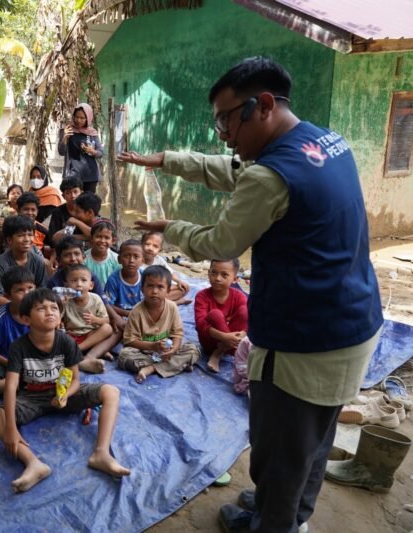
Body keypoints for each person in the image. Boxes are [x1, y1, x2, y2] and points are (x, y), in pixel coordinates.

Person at [118, 57, 383, 532]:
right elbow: (234, 169)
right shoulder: (324, 141)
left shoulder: (270, 176)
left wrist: (168, 227)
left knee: (281, 448)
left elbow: (221, 241)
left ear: (261, 106)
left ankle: (275, 521)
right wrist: (167, 161)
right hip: (353, 320)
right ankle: (280, 511)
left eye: (225, 119)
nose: (222, 133)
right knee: (311, 442)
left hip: (307, 340)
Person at [0, 288, 130, 494]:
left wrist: (63, 396)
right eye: (41, 309)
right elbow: (10, 387)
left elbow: (74, 380)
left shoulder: (66, 341)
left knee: (111, 391)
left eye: (54, 308)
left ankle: (101, 453)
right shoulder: (19, 347)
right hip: (30, 398)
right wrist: (11, 428)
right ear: (26, 319)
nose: (50, 312)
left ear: (60, 315)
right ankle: (33, 463)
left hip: (62, 395)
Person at [118, 266, 200, 384]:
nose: (154, 291)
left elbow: (177, 333)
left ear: (168, 291)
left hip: (167, 351)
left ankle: (151, 369)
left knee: (193, 349)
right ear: (142, 289)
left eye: (160, 287)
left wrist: (174, 349)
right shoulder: (136, 312)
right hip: (145, 352)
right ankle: (177, 365)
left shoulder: (172, 307)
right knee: (124, 356)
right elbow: (130, 341)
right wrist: (152, 346)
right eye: (150, 286)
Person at [0, 268, 34, 394]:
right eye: (20, 290)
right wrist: (13, 364)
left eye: (30, 288)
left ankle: (21, 383)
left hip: (35, 361)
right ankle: (22, 383)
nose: (27, 293)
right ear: (7, 296)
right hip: (6, 361)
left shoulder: (40, 313)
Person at [194, 259, 248, 373]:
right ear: (208, 273)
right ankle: (217, 352)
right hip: (210, 342)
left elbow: (250, 321)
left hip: (234, 343)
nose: (218, 278)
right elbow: (200, 325)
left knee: (245, 311)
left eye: (224, 275)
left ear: (235, 279)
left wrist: (242, 334)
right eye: (214, 273)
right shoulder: (202, 296)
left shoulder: (239, 296)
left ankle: (219, 352)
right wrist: (225, 337)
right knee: (215, 314)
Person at [61, 264, 116, 373]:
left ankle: (79, 350)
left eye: (83, 280)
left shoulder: (95, 299)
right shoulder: (66, 301)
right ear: (67, 286)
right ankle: (87, 355)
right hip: (72, 335)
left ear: (91, 285)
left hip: (89, 335)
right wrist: (61, 304)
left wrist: (95, 319)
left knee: (107, 329)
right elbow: (58, 321)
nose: (79, 284)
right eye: (74, 281)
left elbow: (106, 320)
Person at [0, 216, 47, 312]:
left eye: (30, 235)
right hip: (11, 305)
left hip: (31, 305)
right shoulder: (2, 263)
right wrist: (20, 306)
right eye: (21, 235)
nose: (27, 239)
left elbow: (43, 291)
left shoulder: (38, 261)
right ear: (9, 240)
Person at [57, 104, 104, 193]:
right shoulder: (67, 130)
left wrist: (92, 151)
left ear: (88, 118)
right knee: (73, 202)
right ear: (73, 117)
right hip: (72, 174)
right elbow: (61, 152)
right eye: (76, 117)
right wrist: (64, 138)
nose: (79, 120)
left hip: (90, 176)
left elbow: (100, 153)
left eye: (82, 118)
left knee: (87, 204)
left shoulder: (92, 133)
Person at [104, 239, 145, 340]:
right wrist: (127, 313)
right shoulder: (113, 279)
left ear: (142, 260)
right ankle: (93, 354)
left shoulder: (145, 276)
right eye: (126, 256)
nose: (131, 260)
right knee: (117, 331)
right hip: (121, 314)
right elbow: (107, 304)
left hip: (142, 313)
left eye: (136, 256)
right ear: (119, 259)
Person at [141, 231, 191, 304]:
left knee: (184, 288)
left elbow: (170, 273)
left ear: (160, 250)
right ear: (141, 245)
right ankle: (176, 302)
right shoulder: (137, 261)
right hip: (144, 292)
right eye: (147, 244)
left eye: (155, 246)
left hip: (159, 290)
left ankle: (162, 302)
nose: (150, 248)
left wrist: (178, 281)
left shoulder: (159, 260)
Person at [46, 177, 83, 246]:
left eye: (75, 192)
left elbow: (94, 234)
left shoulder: (87, 210)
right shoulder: (57, 212)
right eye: (68, 193)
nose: (73, 196)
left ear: (81, 193)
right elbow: (52, 238)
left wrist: (67, 236)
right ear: (63, 196)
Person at [84, 220, 118, 287]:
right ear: (91, 238)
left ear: (113, 241)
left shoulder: (116, 259)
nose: (102, 241)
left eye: (107, 238)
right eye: (98, 236)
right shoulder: (84, 258)